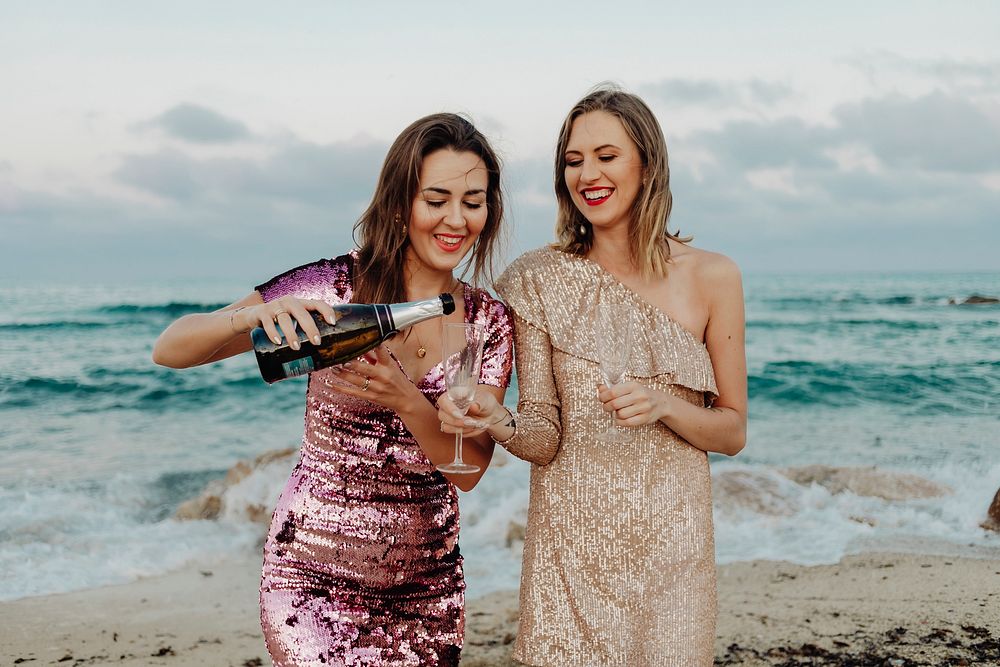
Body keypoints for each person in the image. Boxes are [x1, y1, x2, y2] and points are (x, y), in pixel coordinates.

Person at [152, 113, 513, 666]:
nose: (456, 219)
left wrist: (407, 401)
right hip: (310, 578)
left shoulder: (488, 320)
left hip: (426, 592)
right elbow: (170, 349)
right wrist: (256, 315)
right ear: (400, 204)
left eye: (474, 201)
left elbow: (467, 473)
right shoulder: (335, 289)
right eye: (436, 198)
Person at [439, 86, 747, 665]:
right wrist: (497, 418)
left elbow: (732, 432)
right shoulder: (536, 279)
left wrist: (667, 406)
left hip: (672, 559)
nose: (588, 174)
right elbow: (542, 437)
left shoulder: (714, 276)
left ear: (646, 162)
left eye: (607, 156)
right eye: (574, 161)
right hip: (569, 562)